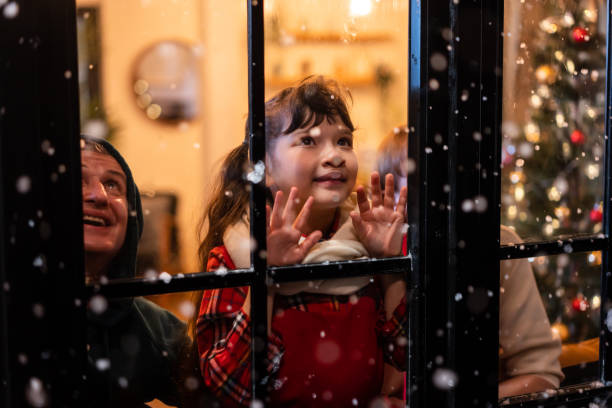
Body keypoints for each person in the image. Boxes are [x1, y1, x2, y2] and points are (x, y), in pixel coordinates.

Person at [193, 76, 408, 407]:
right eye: (308, 141)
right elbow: (229, 384)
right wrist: (268, 277)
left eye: (344, 141)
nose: (335, 156)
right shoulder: (235, 256)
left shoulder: (366, 241)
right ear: (264, 168)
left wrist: (389, 265)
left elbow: (408, 358)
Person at [375, 126, 564, 399]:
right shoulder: (367, 253)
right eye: (417, 176)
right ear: (387, 193)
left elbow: (541, 374)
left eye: (447, 171)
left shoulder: (497, 245)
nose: (437, 186)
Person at [82, 136, 201, 407]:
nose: (99, 195)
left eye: (112, 184)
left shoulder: (156, 328)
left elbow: (218, 394)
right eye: (78, 180)